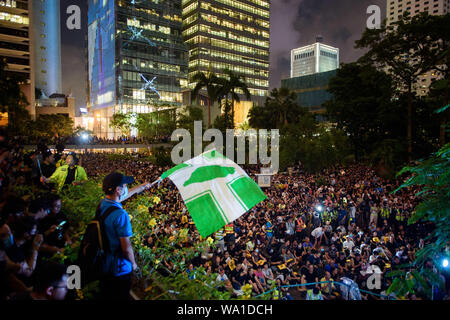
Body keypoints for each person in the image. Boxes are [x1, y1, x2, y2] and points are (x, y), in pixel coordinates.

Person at [98, 171, 151, 300]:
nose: (127, 188)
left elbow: (121, 197)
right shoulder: (121, 215)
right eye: (125, 186)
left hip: (103, 262)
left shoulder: (102, 204)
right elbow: (126, 248)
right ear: (118, 190)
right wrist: (134, 265)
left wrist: (141, 187)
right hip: (119, 268)